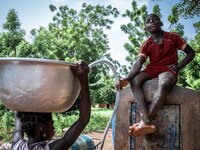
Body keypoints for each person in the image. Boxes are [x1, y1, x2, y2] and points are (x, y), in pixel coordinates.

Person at [116, 13, 195, 137]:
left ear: (161, 23)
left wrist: (178, 66)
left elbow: (191, 53)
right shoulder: (147, 44)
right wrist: (127, 78)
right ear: (146, 27)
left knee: (164, 83)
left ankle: (144, 122)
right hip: (152, 68)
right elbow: (138, 63)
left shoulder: (173, 37)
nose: (151, 22)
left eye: (155, 19)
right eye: (148, 21)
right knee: (135, 81)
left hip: (168, 69)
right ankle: (146, 121)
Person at [12, 61, 91, 150]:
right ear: (42, 129)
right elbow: (83, 120)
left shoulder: (17, 145)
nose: (54, 127)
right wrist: (84, 80)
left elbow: (17, 114)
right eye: (51, 123)